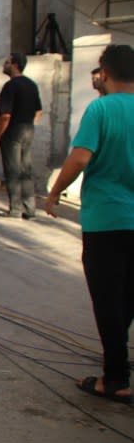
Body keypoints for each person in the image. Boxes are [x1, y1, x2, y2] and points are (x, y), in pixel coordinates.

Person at [45, 44, 134, 405]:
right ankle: (117, 357)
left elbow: (80, 157)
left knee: (107, 298)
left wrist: (54, 193)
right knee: (127, 295)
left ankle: (115, 378)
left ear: (105, 72)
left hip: (106, 220)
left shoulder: (101, 108)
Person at [0, 52, 42, 219]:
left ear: (14, 65)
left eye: (6, 62)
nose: (4, 65)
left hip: (13, 130)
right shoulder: (31, 85)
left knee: (12, 169)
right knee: (25, 169)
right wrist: (29, 124)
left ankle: (15, 209)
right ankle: (30, 209)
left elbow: (5, 115)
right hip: (28, 129)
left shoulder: (10, 86)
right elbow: (38, 111)